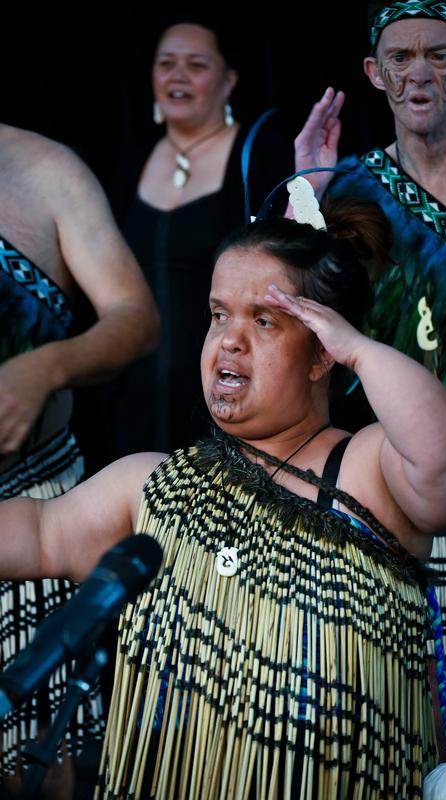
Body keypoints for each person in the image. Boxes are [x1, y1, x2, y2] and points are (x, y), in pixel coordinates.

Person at [0, 197, 446, 799]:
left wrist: (361, 351)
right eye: (218, 315)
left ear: (323, 351)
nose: (230, 341)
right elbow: (35, 533)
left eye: (264, 321)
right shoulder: (154, 484)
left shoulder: (366, 469)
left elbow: (441, 467)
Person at [291, 0, 446, 753]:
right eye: (401, 57)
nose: (420, 72)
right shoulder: (350, 188)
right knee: (397, 717)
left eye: (441, 54)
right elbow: (289, 311)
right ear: (374, 74)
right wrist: (306, 194)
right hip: (391, 480)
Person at [0, 122, 160, 793]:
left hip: (40, 505)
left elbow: (136, 315)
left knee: (44, 767)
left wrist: (45, 366)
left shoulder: (43, 170)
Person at [105, 13, 295, 458]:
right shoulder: (127, 166)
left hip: (225, 398)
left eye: (196, 65)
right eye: (166, 63)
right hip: (132, 405)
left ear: (228, 81)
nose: (178, 76)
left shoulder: (261, 151)